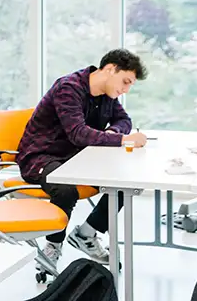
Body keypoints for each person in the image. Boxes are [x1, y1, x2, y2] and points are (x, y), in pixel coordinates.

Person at [16, 48, 148, 271]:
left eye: (130, 85)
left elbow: (123, 119)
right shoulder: (69, 88)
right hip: (41, 156)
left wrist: (115, 132)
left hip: (78, 157)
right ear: (109, 69)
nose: (125, 89)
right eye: (125, 82)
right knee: (66, 188)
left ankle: (85, 234)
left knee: (126, 181)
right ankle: (53, 246)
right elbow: (78, 133)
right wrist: (124, 140)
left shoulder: (107, 95)